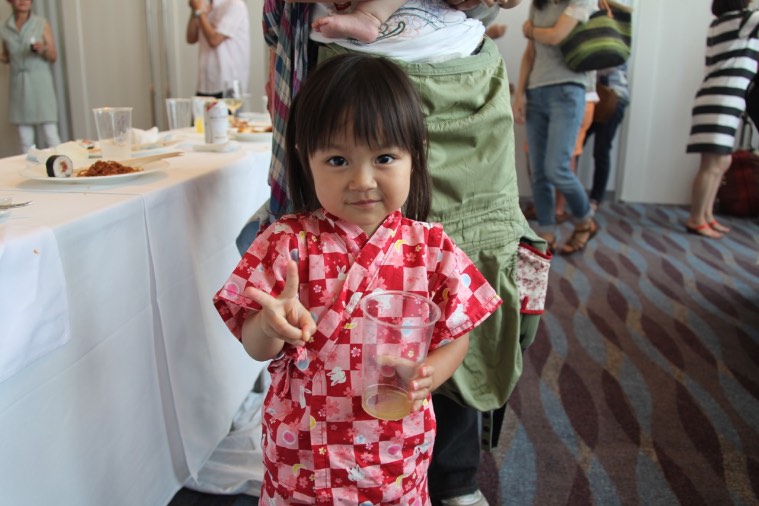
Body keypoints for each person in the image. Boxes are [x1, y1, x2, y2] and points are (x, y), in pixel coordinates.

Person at [246, 2, 543, 505]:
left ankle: (454, 479)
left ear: (415, 157)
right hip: (303, 460)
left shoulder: (432, 248)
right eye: (337, 160)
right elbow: (256, 346)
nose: (362, 181)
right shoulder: (285, 243)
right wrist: (268, 326)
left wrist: (434, 372)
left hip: (392, 458)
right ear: (305, 157)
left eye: (384, 158)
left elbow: (459, 334)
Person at [514, 0, 599, 255]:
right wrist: (519, 94)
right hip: (536, 91)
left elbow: (556, 35)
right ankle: (547, 231)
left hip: (568, 91)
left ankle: (585, 220)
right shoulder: (538, 4)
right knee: (539, 171)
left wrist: (530, 30)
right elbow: (531, 53)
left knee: (557, 168)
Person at [686, 0, 759, 238]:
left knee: (722, 162)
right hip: (720, 98)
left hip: (723, 98)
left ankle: (706, 215)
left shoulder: (725, 22)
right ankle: (696, 218)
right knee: (711, 164)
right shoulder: (742, 20)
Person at [0, 0, 61, 154]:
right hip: (18, 85)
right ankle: (29, 166)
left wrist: (42, 49)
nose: (23, 1)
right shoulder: (5, 28)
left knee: (51, 134)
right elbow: (7, 56)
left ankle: (60, 164)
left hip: (40, 82)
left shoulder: (41, 23)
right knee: (25, 139)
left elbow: (53, 56)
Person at [584, 63, 630, 212]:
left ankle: (596, 199)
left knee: (601, 150)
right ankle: (565, 198)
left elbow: (609, 62)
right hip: (591, 96)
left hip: (613, 97)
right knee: (573, 149)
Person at [186, 0, 250, 98]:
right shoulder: (207, 7)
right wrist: (195, 10)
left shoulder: (235, 5)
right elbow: (191, 38)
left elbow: (214, 40)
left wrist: (199, 11)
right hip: (204, 85)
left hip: (228, 87)